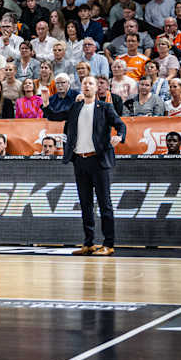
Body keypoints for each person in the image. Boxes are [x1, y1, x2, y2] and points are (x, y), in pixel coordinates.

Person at [63, 75, 126, 257]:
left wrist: (119, 137)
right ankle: (88, 243)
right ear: (81, 87)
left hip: (98, 160)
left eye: (90, 83)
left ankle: (108, 243)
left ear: (97, 87)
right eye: (84, 83)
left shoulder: (105, 107)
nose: (87, 86)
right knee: (85, 204)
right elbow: (63, 123)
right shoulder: (75, 107)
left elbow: (120, 125)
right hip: (79, 160)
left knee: (105, 203)